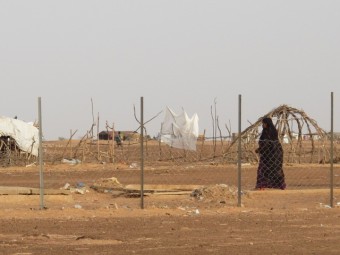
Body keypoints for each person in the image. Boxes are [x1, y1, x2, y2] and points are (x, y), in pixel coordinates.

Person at [255, 117, 286, 190]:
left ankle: (263, 186)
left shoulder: (268, 132)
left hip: (271, 155)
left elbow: (266, 143)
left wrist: (259, 150)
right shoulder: (270, 131)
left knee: (265, 170)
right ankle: (276, 186)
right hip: (274, 154)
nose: (263, 125)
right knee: (275, 169)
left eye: (264, 123)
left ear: (267, 124)